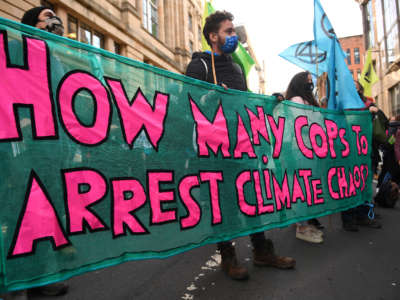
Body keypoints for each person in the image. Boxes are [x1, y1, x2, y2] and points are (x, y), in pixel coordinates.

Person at [185, 10, 295, 280]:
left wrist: (269, 101)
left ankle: (261, 251)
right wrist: (210, 97)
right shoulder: (198, 67)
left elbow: (245, 104)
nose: (234, 36)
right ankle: (228, 256)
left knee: (252, 200)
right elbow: (185, 105)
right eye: (229, 31)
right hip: (214, 153)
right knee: (224, 206)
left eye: (233, 31)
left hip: (242, 149)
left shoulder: (235, 68)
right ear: (213, 36)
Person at [17, 6, 68, 297]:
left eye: (54, 16)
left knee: (44, 211)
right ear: (30, 25)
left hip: (51, 146)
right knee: (20, 210)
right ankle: (13, 279)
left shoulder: (54, 56)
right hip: (25, 146)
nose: (54, 22)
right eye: (46, 17)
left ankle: (36, 280)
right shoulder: (16, 51)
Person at [285, 71, 325, 243]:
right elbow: (303, 124)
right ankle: (301, 227)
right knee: (302, 187)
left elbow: (319, 124)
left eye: (312, 81)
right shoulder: (296, 101)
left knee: (307, 188)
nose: (311, 84)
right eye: (308, 81)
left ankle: (302, 222)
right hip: (300, 150)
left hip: (312, 150)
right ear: (300, 83)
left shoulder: (308, 101)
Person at [340, 81, 383, 231]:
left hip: (365, 151)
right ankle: (348, 218)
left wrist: (372, 112)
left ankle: (362, 215)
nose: (353, 85)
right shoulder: (342, 103)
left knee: (364, 185)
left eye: (355, 84)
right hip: (348, 151)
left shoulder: (367, 103)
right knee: (350, 186)